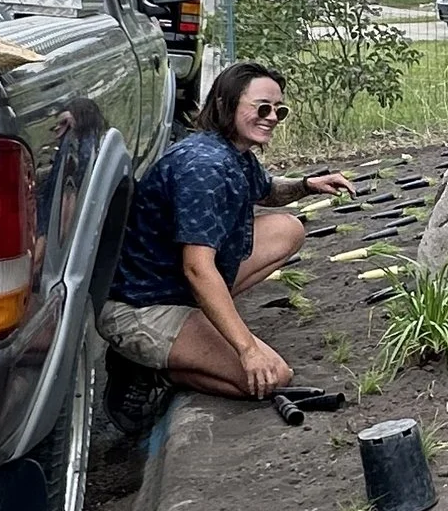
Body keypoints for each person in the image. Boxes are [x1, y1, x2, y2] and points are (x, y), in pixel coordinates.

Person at [100, 61, 349, 400]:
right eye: (262, 107)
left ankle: (199, 326)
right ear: (225, 104)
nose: (273, 117)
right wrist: (247, 349)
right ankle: (148, 371)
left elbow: (267, 191)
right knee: (272, 376)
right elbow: (197, 268)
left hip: (171, 282)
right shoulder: (206, 168)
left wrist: (307, 185)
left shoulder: (231, 151)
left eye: (280, 110)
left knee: (287, 229)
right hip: (141, 306)